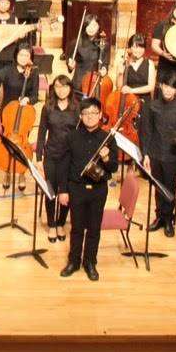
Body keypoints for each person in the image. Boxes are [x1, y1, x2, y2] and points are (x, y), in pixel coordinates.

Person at [57, 98, 119, 281]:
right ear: (80, 116)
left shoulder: (108, 138)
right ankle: (74, 261)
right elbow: (64, 165)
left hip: (98, 190)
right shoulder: (72, 137)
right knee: (76, 228)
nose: (90, 117)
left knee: (94, 228)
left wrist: (106, 158)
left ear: (100, 115)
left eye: (93, 113)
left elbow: (114, 167)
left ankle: (90, 262)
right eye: (85, 113)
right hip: (76, 188)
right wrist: (63, 190)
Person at [140, 77, 176, 235]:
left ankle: (168, 219)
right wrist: (146, 154)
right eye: (166, 86)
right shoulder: (152, 105)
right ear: (161, 86)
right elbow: (147, 131)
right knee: (158, 187)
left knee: (169, 187)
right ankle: (159, 217)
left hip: (172, 156)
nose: (168, 90)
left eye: (172, 87)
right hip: (155, 153)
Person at [36, 76, 79, 241]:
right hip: (51, 155)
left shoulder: (76, 108)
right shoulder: (48, 107)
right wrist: (38, 158)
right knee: (51, 191)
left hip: (69, 156)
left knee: (66, 191)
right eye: (58, 87)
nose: (61, 90)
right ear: (53, 89)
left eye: (64, 86)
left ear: (70, 88)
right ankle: (52, 224)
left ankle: (61, 222)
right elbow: (41, 133)